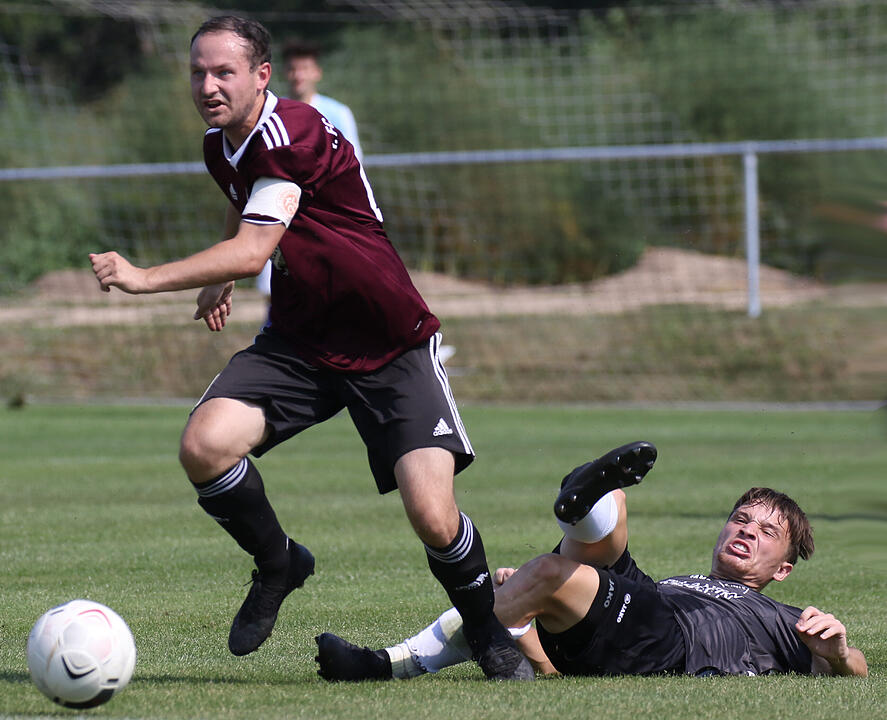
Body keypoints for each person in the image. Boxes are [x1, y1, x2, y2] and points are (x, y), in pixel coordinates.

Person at [89, 15, 531, 681]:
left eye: (223, 72)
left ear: (261, 75)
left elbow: (256, 241)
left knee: (432, 516)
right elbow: (254, 214)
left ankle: (486, 631)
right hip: (300, 341)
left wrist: (147, 277)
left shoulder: (290, 131)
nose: (207, 85)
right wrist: (228, 276)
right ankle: (278, 562)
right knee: (204, 445)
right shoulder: (221, 145)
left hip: (389, 344)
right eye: (197, 72)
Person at [315, 441, 869, 680]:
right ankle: (587, 504)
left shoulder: (782, 618)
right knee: (611, 513)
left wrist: (839, 653)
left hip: (672, 645)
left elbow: (858, 669)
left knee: (553, 571)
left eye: (766, 532)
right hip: (654, 603)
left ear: (783, 571)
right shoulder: (687, 580)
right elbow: (553, 667)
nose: (746, 531)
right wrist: (524, 611)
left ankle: (388, 664)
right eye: (742, 519)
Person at [255, 41, 364, 298]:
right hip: (282, 214)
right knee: (277, 292)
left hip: (326, 215)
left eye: (304, 68)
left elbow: (353, 163)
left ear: (317, 72)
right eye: (293, 68)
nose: (298, 75)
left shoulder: (337, 113)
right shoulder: (271, 114)